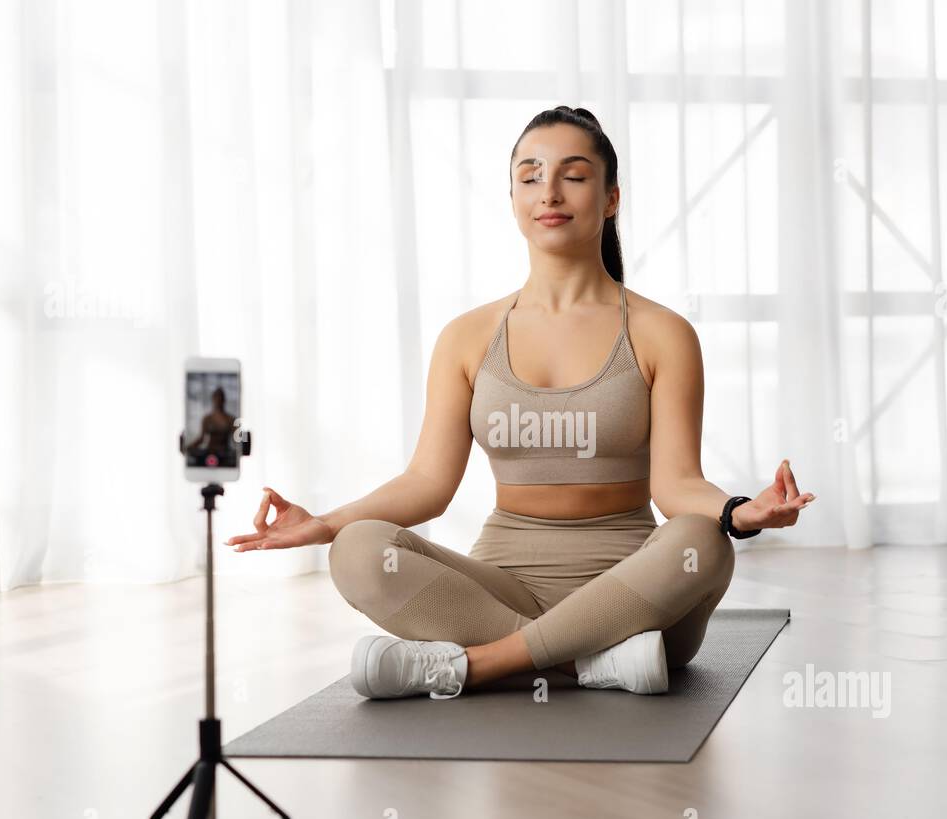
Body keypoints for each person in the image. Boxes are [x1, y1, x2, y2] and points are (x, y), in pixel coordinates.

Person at [226, 106, 814, 701]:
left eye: (574, 175)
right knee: (354, 551)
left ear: (611, 198)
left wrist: (739, 512)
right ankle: (591, 663)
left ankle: (479, 666)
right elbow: (428, 481)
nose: (549, 192)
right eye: (530, 176)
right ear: (512, 199)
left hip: (636, 594)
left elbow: (678, 484)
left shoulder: (662, 333)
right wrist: (325, 524)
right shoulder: (468, 336)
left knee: (702, 543)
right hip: (501, 588)